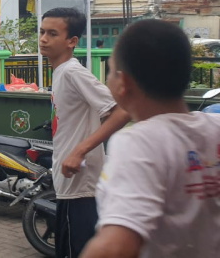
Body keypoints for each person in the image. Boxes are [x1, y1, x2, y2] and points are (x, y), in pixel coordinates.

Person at [82, 20, 220, 257]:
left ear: (123, 83)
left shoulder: (138, 143)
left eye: (110, 71)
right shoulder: (214, 127)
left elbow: (115, 247)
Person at [38, 7, 131, 258]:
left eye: (52, 33)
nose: (43, 39)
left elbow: (121, 111)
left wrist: (79, 150)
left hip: (80, 187)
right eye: (42, 31)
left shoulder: (72, 72)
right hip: (69, 185)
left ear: (72, 41)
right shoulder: (60, 72)